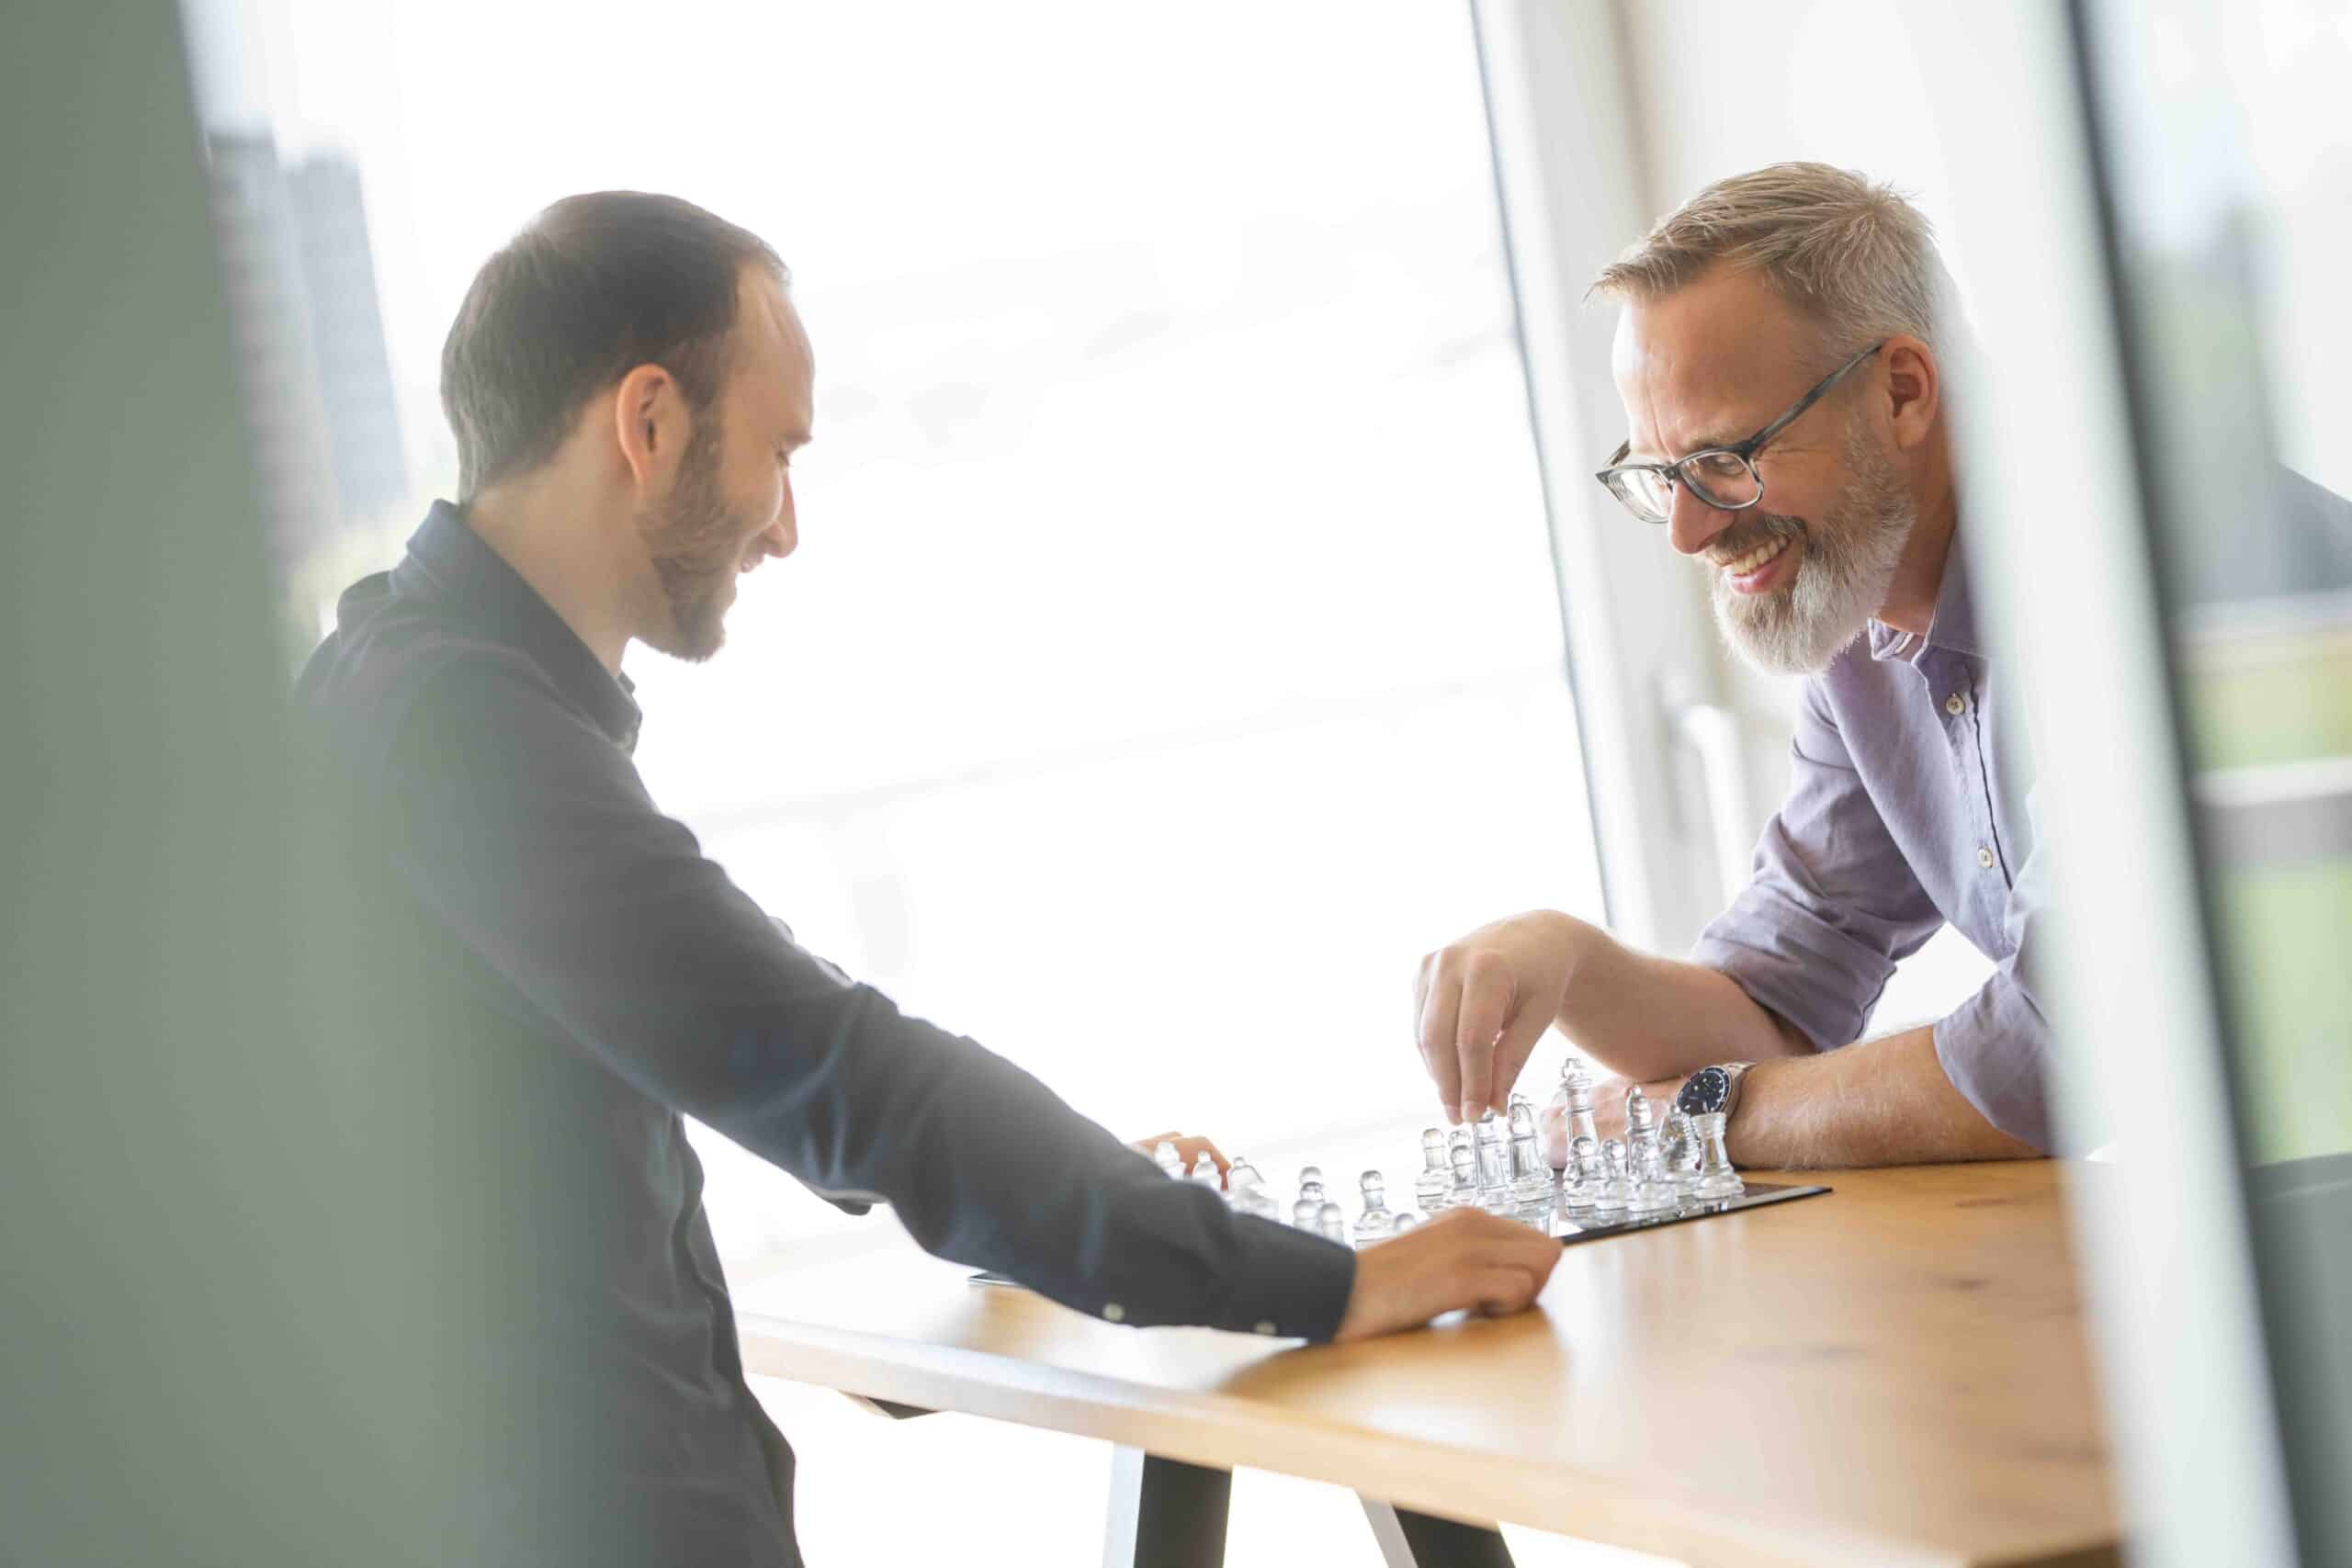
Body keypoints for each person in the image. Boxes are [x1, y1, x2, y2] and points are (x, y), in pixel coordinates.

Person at [295, 191, 1558, 1567]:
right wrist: (1331, 1278)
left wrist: (1074, 1208)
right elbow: (821, 1062)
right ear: (647, 423)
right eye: (775, 453)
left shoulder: (420, 688)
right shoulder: (450, 729)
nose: (785, 528)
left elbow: (757, 1020)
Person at [1412, 163, 2060, 1168]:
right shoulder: (1864, 635)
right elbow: (1781, 998)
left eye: (1724, 459)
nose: (1686, 530)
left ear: (1901, 391)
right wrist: (1571, 961)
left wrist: (1704, 1115)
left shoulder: (2144, 597)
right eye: (1659, 474)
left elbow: (2054, 1058)